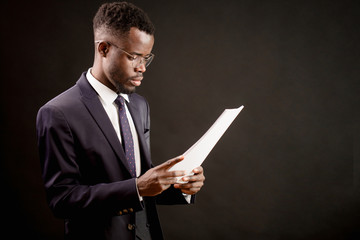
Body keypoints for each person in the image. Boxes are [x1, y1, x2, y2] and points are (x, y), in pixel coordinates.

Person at [36, 2, 205, 240]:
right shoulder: (58, 113)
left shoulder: (139, 106)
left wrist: (180, 185)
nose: (143, 68)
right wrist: (137, 188)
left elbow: (141, 179)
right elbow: (62, 200)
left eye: (147, 58)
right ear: (103, 49)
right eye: (134, 57)